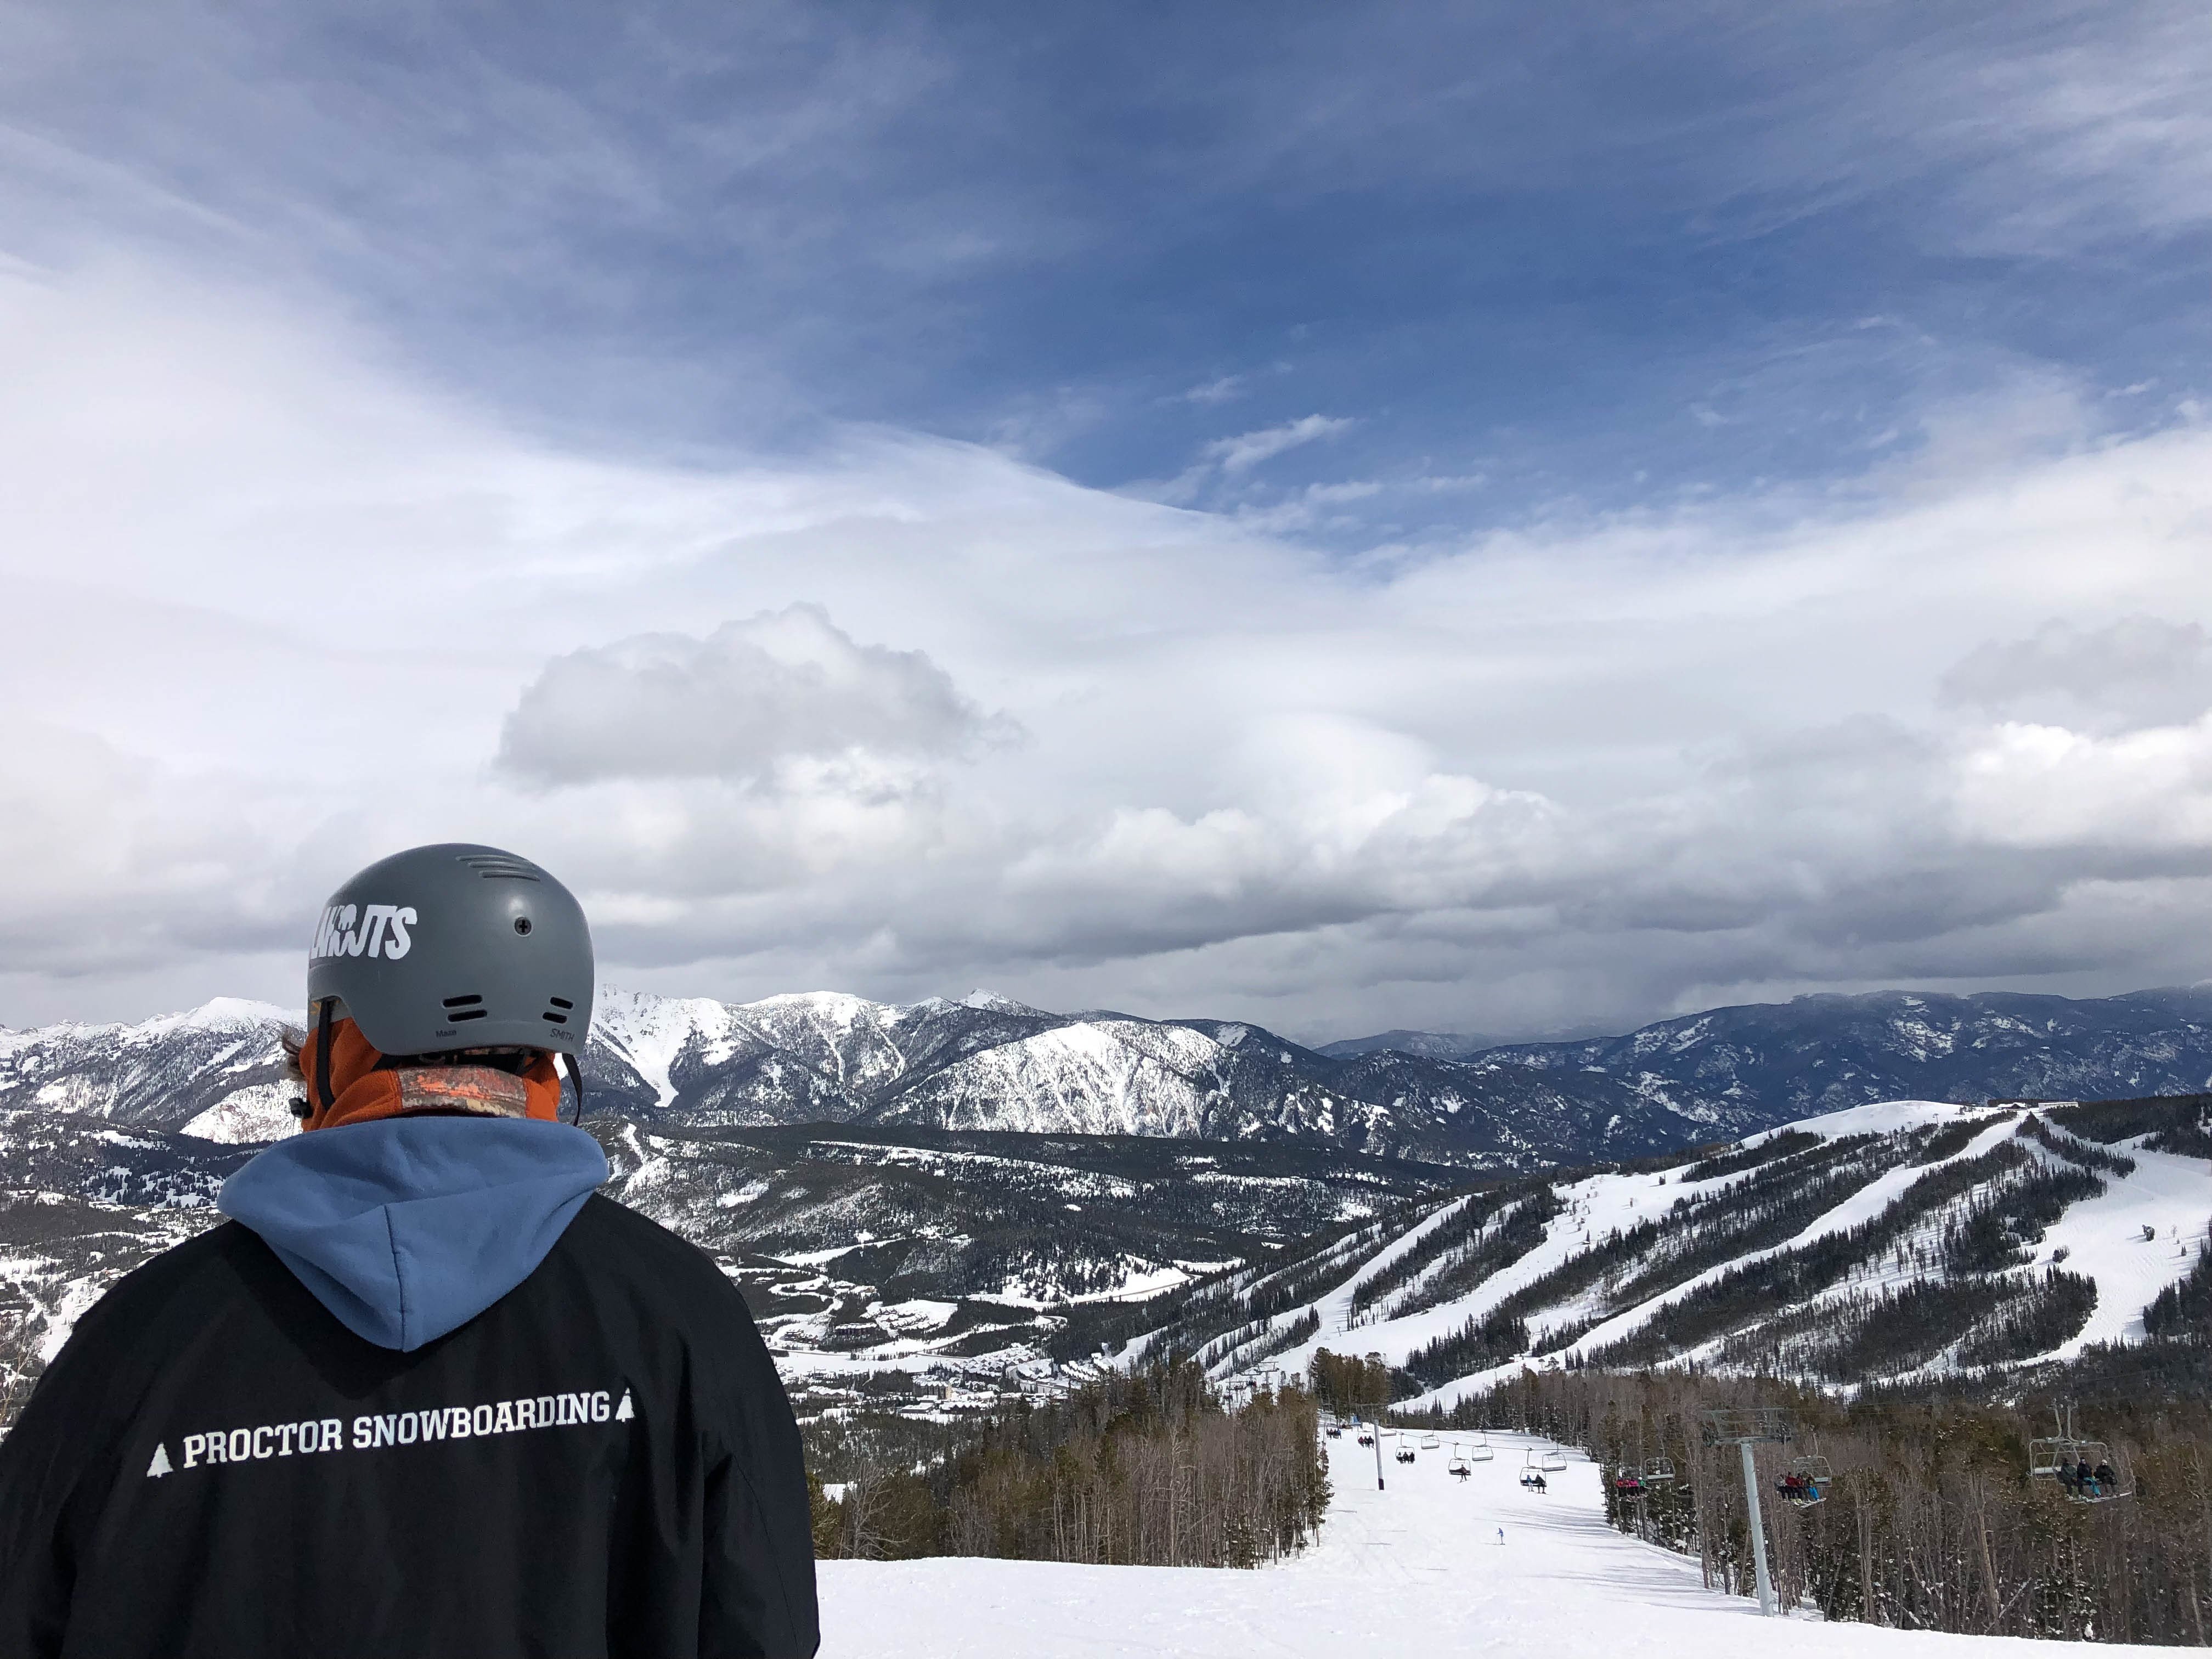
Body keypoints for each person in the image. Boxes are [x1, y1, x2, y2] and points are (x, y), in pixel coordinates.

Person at [0, 844, 820, 1658]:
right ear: (551, 1053)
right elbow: (764, 1622)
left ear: (336, 1046)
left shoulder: (141, 1344)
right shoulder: (682, 1318)